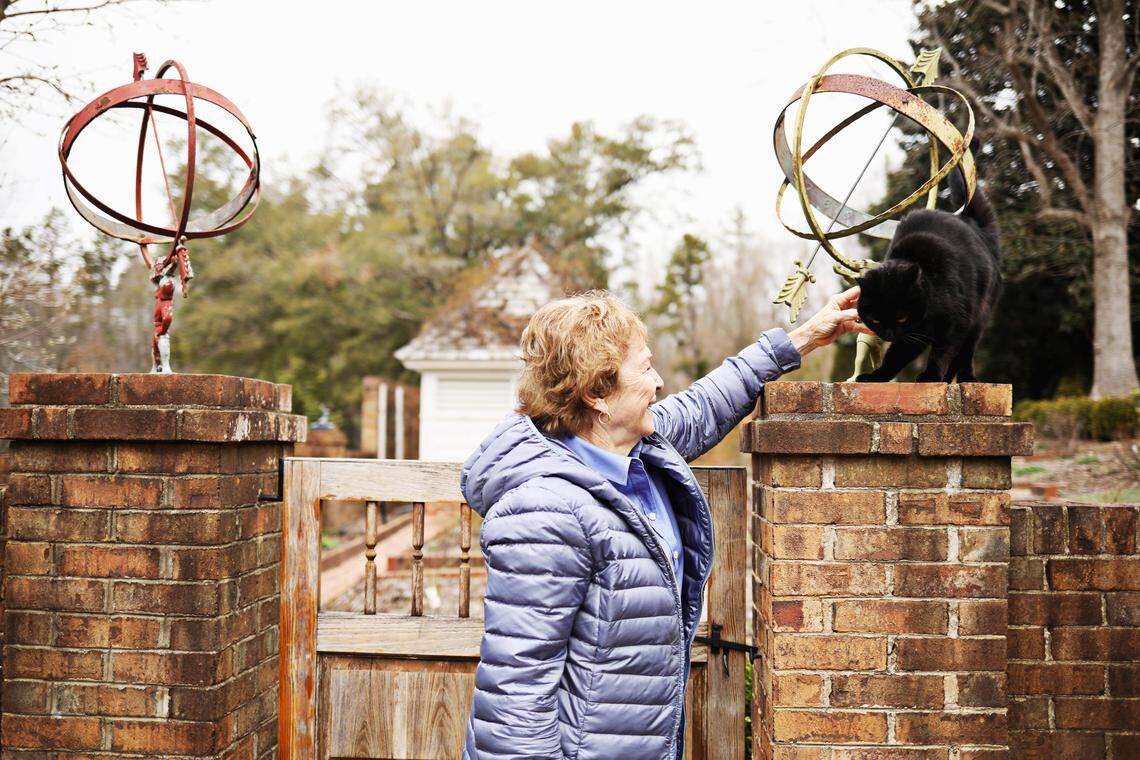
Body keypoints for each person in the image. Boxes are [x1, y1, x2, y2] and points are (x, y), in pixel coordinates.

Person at [460, 286, 870, 760]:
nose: (657, 383)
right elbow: (516, 697)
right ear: (597, 392)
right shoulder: (545, 510)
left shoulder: (636, 449)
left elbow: (705, 404)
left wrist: (802, 339)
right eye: (645, 368)